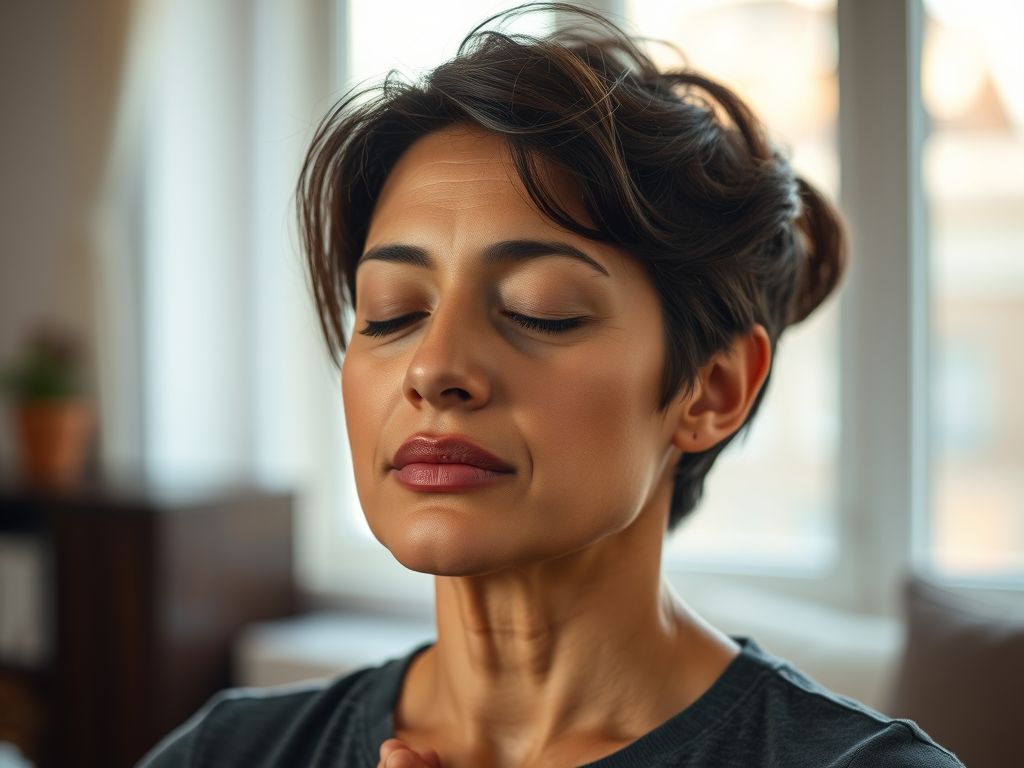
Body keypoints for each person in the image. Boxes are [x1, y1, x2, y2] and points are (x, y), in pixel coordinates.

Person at [140, 5, 963, 767]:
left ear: (711, 390)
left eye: (540, 312)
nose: (434, 369)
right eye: (392, 313)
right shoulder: (226, 753)